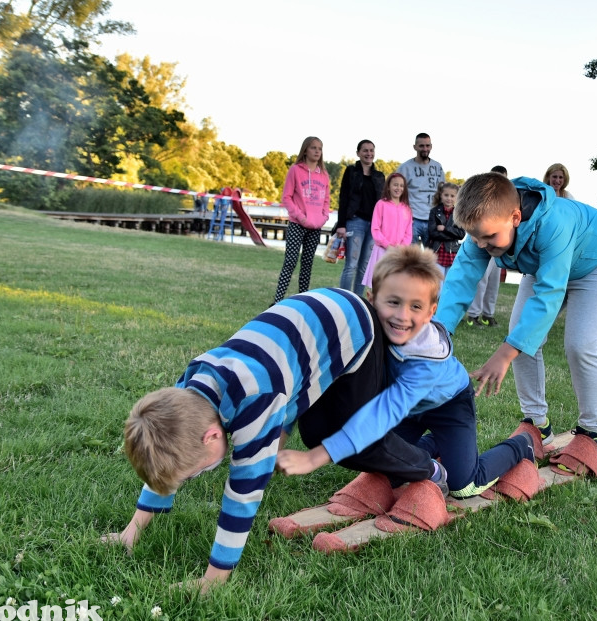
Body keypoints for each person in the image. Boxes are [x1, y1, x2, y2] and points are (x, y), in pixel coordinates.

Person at [104, 287, 448, 592]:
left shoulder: (255, 398)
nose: (192, 478)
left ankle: (428, 467)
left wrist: (213, 579)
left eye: (193, 472)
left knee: (351, 440)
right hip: (313, 323)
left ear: (212, 436)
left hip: (356, 328)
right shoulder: (188, 389)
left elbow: (243, 496)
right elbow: (167, 451)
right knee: (307, 429)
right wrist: (132, 530)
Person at [276, 247, 535, 500]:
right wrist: (281, 432)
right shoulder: (365, 328)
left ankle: (520, 446)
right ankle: (437, 442)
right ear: (371, 297)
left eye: (415, 307)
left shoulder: (426, 359)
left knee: (462, 485)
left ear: (431, 311)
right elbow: (314, 375)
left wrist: (314, 457)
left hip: (449, 406)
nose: (402, 316)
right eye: (393, 302)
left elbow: (384, 411)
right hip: (409, 411)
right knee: (384, 463)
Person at [434, 172, 597, 457]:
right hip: (545, 265)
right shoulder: (484, 229)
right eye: (476, 238)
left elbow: (549, 294)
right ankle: (537, 423)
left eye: (489, 237)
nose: (483, 245)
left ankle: (592, 432)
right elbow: (461, 278)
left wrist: (503, 354)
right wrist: (439, 332)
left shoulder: (553, 224)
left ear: (515, 217)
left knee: (580, 344)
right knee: (521, 338)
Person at [273, 137, 330, 304]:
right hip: (298, 224)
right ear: (305, 150)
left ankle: (302, 301)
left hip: (315, 226)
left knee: (307, 264)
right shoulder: (295, 170)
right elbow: (287, 197)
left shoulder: (324, 175)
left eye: (319, 148)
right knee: (290, 261)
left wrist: (323, 218)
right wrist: (301, 216)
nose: (317, 151)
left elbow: (326, 201)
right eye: (313, 148)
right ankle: (277, 300)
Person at [336, 139, 385, 295]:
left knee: (365, 266)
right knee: (351, 264)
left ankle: (357, 299)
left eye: (371, 150)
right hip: (355, 222)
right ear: (358, 153)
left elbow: (383, 202)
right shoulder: (351, 171)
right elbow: (343, 198)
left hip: (373, 225)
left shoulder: (379, 176)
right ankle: (344, 298)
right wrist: (341, 224)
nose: (369, 154)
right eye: (365, 150)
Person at [466, 165, 508, 327]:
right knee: (481, 281)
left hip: (498, 247)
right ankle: (473, 315)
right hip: (483, 246)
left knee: (493, 282)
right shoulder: (481, 197)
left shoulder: (507, 199)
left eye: (503, 178)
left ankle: (488, 314)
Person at [361, 173, 413, 288]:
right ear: (388, 186)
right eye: (395, 185)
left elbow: (408, 233)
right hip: (382, 251)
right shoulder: (381, 204)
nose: (398, 188)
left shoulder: (407, 209)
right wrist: (387, 245)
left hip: (398, 253)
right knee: (379, 285)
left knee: (394, 285)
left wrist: (402, 247)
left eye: (401, 186)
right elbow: (375, 229)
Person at [396, 133, 445, 248]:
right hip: (412, 219)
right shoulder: (405, 168)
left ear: (431, 146)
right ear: (415, 147)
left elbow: (443, 192)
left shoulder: (438, 167)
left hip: (432, 219)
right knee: (409, 257)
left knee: (431, 258)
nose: (425, 149)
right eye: (421, 146)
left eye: (427, 146)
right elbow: (396, 193)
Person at [427, 182, 465, 276]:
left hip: (452, 253)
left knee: (449, 283)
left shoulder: (459, 213)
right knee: (438, 283)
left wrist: (445, 229)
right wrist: (452, 235)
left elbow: (461, 234)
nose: (449, 198)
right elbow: (432, 233)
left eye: (452, 196)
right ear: (441, 195)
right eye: (446, 195)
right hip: (437, 252)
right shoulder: (434, 211)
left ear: (456, 197)